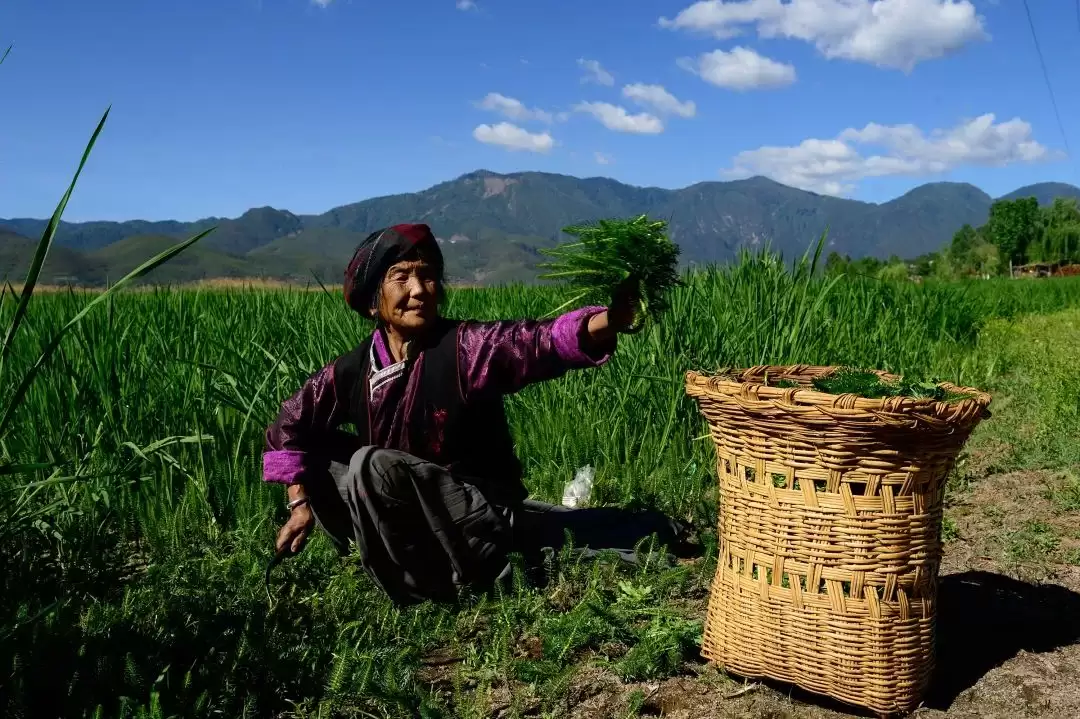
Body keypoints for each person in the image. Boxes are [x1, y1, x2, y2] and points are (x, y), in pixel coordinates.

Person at [262, 223, 692, 605]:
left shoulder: (467, 348)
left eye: (428, 276)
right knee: (324, 453)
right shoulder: (353, 369)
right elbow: (289, 426)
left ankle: (437, 584)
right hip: (406, 506)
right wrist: (300, 503)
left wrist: (610, 320)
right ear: (374, 302)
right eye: (401, 277)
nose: (418, 290)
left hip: (476, 511)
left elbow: (537, 344)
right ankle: (413, 562)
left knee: (368, 465)